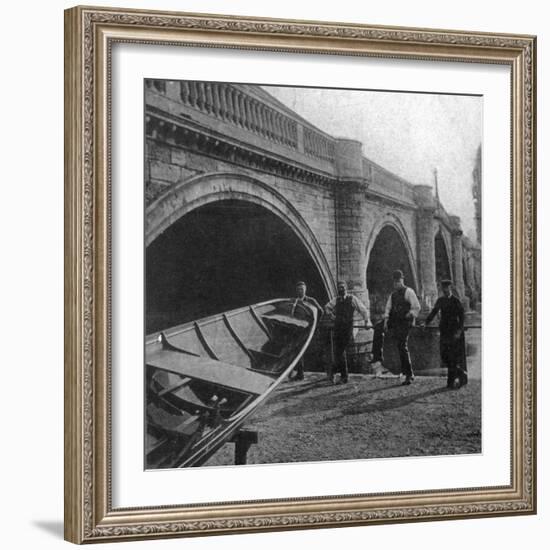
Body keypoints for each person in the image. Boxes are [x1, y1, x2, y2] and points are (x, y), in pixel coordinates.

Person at [370, 269, 420, 385]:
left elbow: (416, 307)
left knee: (402, 346)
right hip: (394, 320)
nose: (397, 283)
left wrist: (410, 314)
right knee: (378, 327)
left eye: (399, 281)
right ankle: (377, 359)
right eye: (395, 282)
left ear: (402, 280)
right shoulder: (393, 295)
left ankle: (409, 374)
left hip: (404, 322)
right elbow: (388, 309)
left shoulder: (409, 292)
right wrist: (386, 322)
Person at [421, 279, 466, 389]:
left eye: (447, 288)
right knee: (445, 356)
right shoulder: (440, 300)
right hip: (444, 332)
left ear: (450, 288)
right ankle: (462, 375)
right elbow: (434, 312)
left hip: (454, 333)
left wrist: (459, 331)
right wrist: (426, 323)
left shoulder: (456, 301)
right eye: (443, 288)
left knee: (452, 358)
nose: (445, 290)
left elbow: (462, 317)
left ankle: (450, 382)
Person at [324, 281, 371, 384]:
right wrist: (332, 317)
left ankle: (342, 376)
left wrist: (366, 321)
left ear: (346, 289)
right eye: (340, 288)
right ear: (338, 290)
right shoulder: (336, 300)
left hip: (347, 328)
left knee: (340, 351)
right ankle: (339, 375)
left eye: (343, 288)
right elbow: (327, 307)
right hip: (338, 328)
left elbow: (363, 310)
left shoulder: (352, 299)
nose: (342, 290)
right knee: (338, 352)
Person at [289, 281, 324, 381]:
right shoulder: (295, 300)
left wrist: (315, 323)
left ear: (305, 290)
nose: (300, 291)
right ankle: (299, 373)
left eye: (302, 289)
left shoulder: (311, 300)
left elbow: (320, 311)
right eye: (299, 289)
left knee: (301, 350)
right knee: (296, 351)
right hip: (297, 329)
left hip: (307, 329)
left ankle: (300, 373)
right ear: (296, 291)